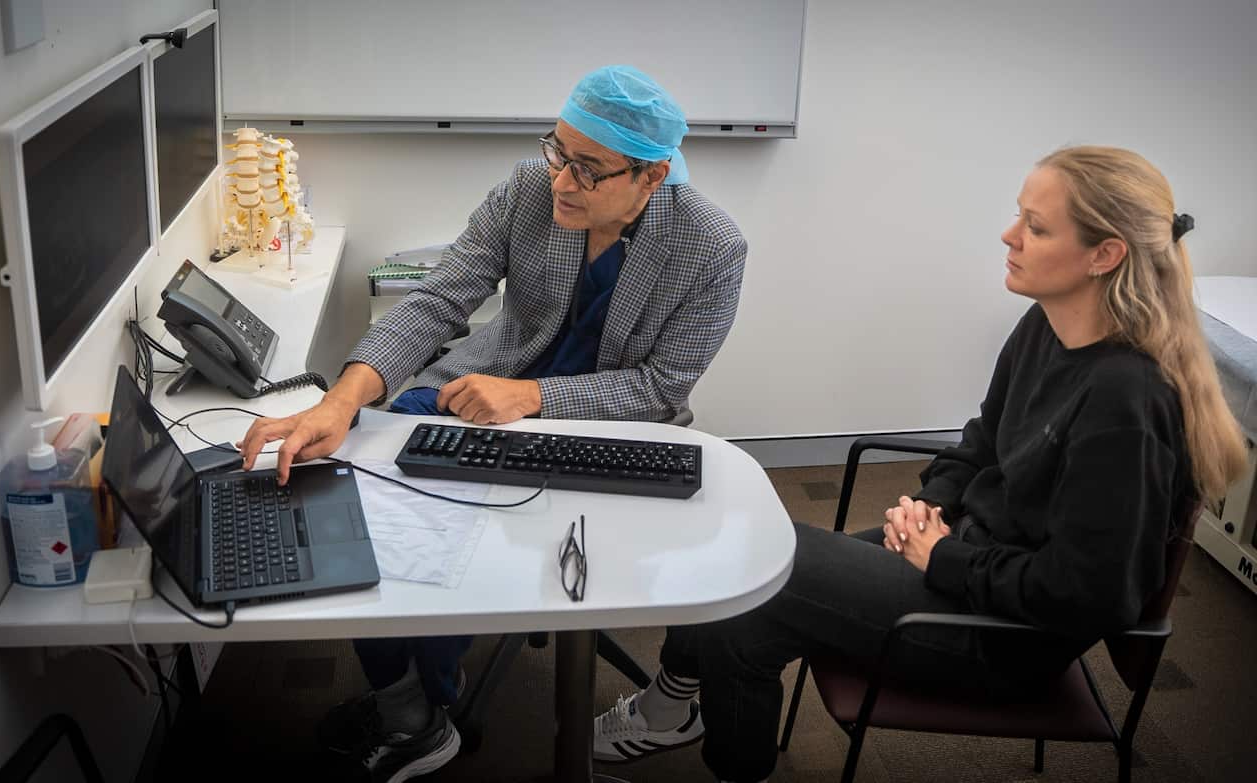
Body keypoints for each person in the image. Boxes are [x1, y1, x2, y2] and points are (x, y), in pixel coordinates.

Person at [589, 146, 1248, 783]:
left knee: (758, 573)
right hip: (965, 563)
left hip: (1005, 637)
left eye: (1036, 226)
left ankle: (695, 730)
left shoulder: (1123, 402)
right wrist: (935, 504)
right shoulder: (1049, 324)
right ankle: (678, 707)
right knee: (748, 576)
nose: (1009, 234)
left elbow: (1090, 595)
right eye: (1019, 214)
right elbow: (983, 441)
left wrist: (944, 557)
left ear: (1105, 255)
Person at [236, 65, 747, 781]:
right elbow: (439, 301)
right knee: (355, 495)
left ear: (651, 178)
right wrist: (341, 399)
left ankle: (429, 701)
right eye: (557, 151)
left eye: (590, 169)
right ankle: (407, 701)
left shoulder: (712, 246)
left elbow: (660, 388)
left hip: (612, 430)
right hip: (479, 393)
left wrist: (534, 398)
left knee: (464, 542)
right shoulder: (527, 190)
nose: (562, 182)